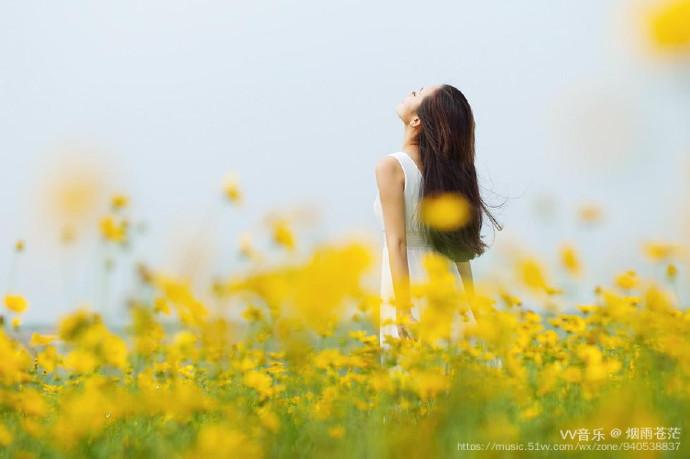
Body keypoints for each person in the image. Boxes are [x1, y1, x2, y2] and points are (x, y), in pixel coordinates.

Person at [373, 84, 503, 348]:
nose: (410, 91)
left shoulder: (391, 167)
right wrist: (473, 308)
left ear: (417, 120)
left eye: (418, 92)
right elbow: (459, 252)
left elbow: (397, 243)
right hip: (446, 287)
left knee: (410, 379)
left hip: (407, 287)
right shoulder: (447, 174)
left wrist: (404, 310)